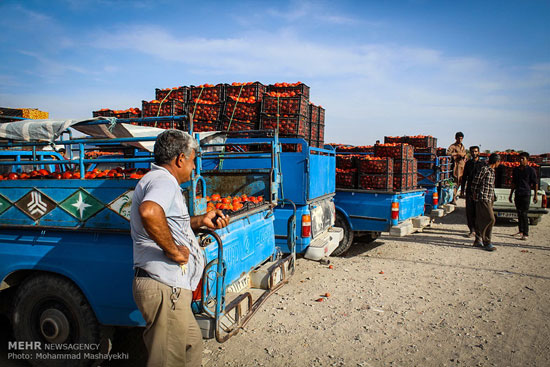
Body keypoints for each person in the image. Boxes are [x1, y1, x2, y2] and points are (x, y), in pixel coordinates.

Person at [130, 129, 229, 367]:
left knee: (191, 346)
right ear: (180, 159)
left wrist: (199, 221)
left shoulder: (161, 181)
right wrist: (174, 251)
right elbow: (150, 211)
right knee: (169, 360)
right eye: (193, 160)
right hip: (165, 287)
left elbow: (168, 220)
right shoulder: (163, 181)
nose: (194, 167)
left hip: (172, 289)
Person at [471, 153, 501, 251]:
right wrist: (474, 193)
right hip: (483, 198)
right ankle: (487, 241)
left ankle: (477, 240)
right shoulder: (485, 169)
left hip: (489, 198)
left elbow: (490, 186)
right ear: (496, 162)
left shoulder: (492, 171)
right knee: (491, 219)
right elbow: (475, 182)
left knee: (480, 219)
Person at [509, 152, 538, 241]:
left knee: (524, 213)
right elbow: (513, 183)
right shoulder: (516, 170)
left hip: (526, 193)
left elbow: (535, 183)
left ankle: (525, 233)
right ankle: (520, 231)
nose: (521, 160)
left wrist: (535, 195)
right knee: (519, 212)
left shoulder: (531, 170)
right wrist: (511, 194)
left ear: (527, 160)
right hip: (518, 193)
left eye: (523, 159)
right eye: (520, 159)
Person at [460, 146, 485, 237]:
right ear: (470, 153)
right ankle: (472, 230)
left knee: (478, 211)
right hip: (470, 190)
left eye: (475, 151)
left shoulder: (482, 164)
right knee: (470, 211)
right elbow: (464, 177)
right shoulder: (468, 164)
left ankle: (479, 230)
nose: (474, 153)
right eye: (472, 152)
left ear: (478, 152)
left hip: (479, 191)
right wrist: (462, 189)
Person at [447, 132, 467, 205]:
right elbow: (448, 154)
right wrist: (457, 154)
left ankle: (458, 195)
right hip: (456, 166)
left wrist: (464, 156)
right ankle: (453, 198)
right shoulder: (453, 146)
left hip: (463, 166)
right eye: (459, 138)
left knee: (461, 182)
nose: (460, 140)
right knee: (456, 181)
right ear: (456, 138)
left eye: (461, 138)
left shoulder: (463, 146)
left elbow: (465, 154)